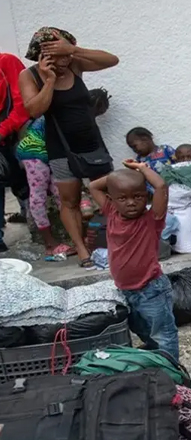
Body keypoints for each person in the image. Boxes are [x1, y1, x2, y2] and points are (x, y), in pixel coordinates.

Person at [18, 27, 119, 268]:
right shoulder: (30, 75)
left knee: (112, 194)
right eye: (56, 57)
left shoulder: (75, 64)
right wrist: (50, 80)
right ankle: (83, 251)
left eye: (64, 55)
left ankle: (117, 241)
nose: (63, 61)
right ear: (42, 56)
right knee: (69, 201)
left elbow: (112, 60)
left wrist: (73, 50)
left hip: (93, 144)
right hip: (61, 149)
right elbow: (34, 110)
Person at [89, 160, 179, 361]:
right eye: (122, 198)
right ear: (111, 199)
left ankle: (172, 370)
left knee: (164, 333)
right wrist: (117, 176)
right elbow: (93, 186)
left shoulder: (151, 219)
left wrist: (141, 169)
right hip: (125, 289)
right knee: (139, 327)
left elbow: (160, 186)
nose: (131, 202)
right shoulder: (111, 212)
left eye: (137, 196)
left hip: (151, 289)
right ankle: (156, 355)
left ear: (145, 197)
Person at [15, 87, 112, 258]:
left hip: (53, 153)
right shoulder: (70, 115)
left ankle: (78, 240)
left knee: (63, 196)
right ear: (94, 106)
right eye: (100, 111)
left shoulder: (79, 115)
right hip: (34, 152)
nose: (99, 115)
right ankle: (49, 243)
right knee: (38, 196)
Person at [0, 52, 31, 252]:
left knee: (22, 179)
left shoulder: (6, 62)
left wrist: (3, 129)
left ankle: (30, 217)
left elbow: (22, 103)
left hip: (15, 132)